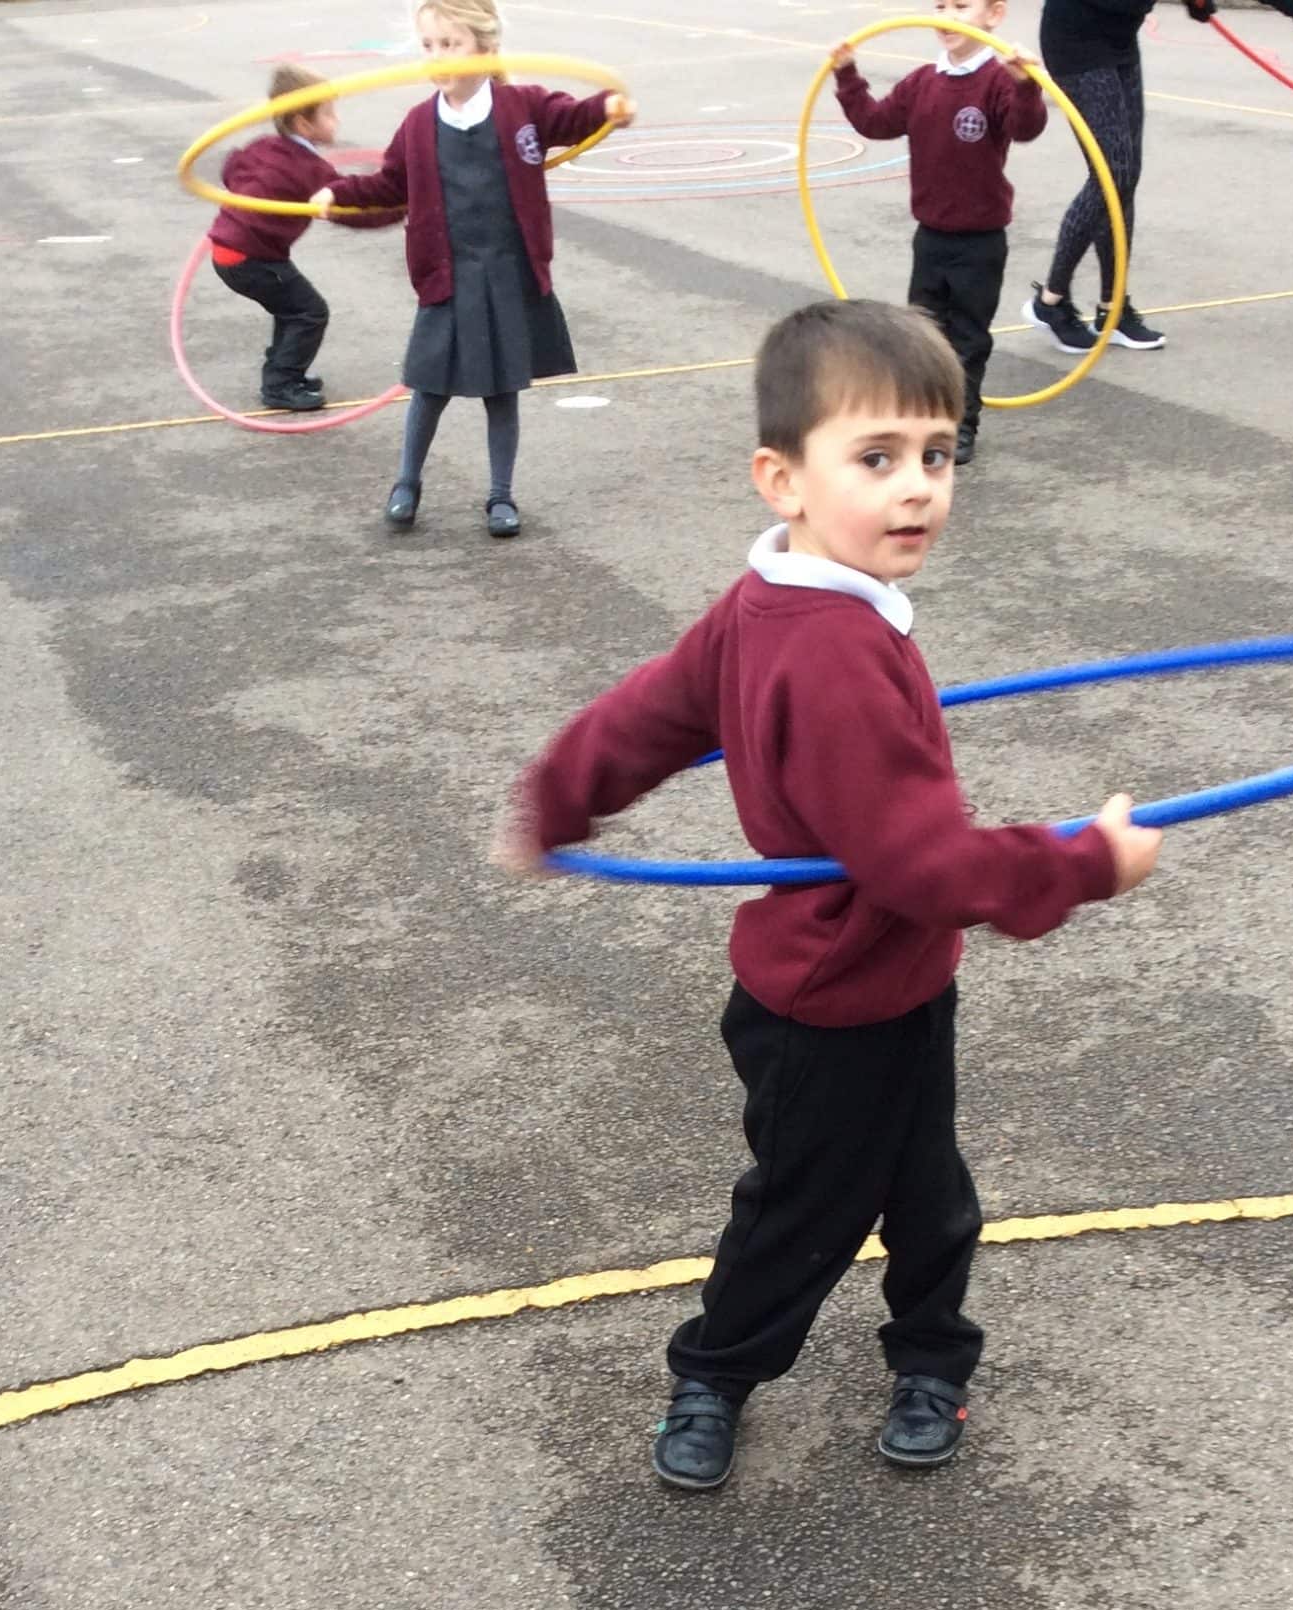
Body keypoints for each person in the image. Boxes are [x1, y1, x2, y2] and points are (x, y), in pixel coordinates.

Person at [492, 301, 1161, 1490]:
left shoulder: (780, 597)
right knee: (801, 1213)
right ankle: (714, 1371)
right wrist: (1084, 864)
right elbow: (919, 861)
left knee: (928, 1191)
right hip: (827, 1000)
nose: (916, 490)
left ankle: (932, 1357)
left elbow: (646, 716)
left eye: (936, 456)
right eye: (876, 458)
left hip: (894, 979)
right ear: (782, 479)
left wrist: (555, 796)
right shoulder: (833, 649)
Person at [316, 0, 633, 536]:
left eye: (451, 44)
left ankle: (500, 495)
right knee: (429, 386)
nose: (438, 56)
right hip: (448, 275)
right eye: (429, 45)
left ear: (485, 49)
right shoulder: (419, 124)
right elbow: (390, 186)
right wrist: (338, 196)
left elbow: (576, 117)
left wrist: (611, 106)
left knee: (501, 390)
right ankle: (406, 484)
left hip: (507, 274)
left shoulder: (523, 106)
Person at [1025, 0, 1293, 356]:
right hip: (1075, 39)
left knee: (1126, 175)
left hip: (1119, 37)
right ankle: (1050, 301)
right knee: (1113, 173)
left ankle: (1113, 309)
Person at [827, 0, 1047, 466]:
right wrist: (847, 74)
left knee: (968, 338)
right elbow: (875, 121)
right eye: (940, 5)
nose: (947, 15)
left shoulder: (998, 80)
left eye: (961, 6)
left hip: (980, 241)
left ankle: (961, 424)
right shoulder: (922, 82)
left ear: (993, 15)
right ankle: (923, 419)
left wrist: (1026, 83)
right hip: (930, 236)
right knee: (923, 334)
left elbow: (1025, 127)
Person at [207, 63, 342, 412]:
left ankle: (284, 373)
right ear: (303, 124)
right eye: (329, 113)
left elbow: (232, 167)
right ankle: (281, 383)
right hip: (251, 256)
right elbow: (349, 205)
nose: (337, 120)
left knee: (291, 309)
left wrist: (249, 193)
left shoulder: (263, 146)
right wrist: (398, 208)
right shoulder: (312, 169)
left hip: (227, 251)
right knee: (310, 312)